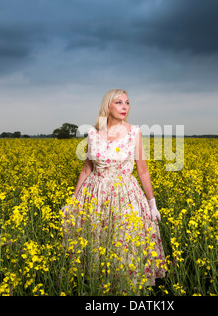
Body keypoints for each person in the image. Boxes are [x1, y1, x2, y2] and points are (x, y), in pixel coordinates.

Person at [61, 89, 167, 290]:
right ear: (107, 106)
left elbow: (143, 171)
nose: (125, 107)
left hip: (125, 196)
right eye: (119, 102)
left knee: (123, 246)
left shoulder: (134, 133)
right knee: (96, 246)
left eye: (127, 103)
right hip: (94, 196)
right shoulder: (93, 133)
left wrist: (152, 203)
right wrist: (73, 200)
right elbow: (86, 169)